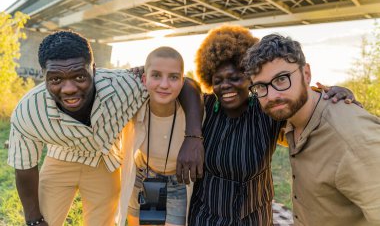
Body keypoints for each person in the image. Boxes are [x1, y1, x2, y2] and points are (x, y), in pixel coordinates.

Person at [7, 31, 203, 226]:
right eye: (56, 79)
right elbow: (24, 167)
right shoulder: (28, 111)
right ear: (44, 76)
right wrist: (33, 220)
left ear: (94, 69)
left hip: (104, 160)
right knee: (45, 220)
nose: (69, 89)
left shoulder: (122, 85)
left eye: (79, 77)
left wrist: (193, 136)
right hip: (61, 158)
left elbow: (185, 84)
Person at [188, 25, 356, 226]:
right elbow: (182, 86)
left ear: (251, 77)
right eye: (218, 80)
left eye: (235, 77)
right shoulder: (203, 109)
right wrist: (192, 137)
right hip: (206, 219)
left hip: (255, 219)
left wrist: (336, 93)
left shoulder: (266, 108)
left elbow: (301, 100)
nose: (226, 85)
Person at [244, 33, 380, 226]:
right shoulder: (291, 118)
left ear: (306, 74)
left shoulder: (352, 139)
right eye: (260, 86)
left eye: (281, 79)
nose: (272, 95)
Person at [116, 47, 196, 226]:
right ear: (144, 79)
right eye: (156, 75)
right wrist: (129, 73)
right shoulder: (134, 105)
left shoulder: (194, 113)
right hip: (142, 177)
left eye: (173, 77)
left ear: (183, 82)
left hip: (179, 183)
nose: (164, 84)